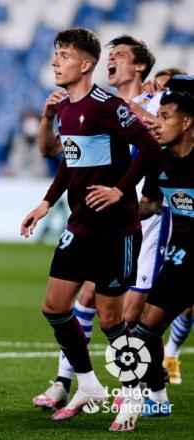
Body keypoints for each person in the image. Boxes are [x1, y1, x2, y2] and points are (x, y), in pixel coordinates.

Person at [20, 28, 161, 431]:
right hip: (79, 225)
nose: (54, 61)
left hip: (117, 230)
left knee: (111, 320)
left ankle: (132, 394)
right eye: (55, 54)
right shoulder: (65, 109)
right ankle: (87, 383)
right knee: (54, 307)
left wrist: (120, 190)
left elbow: (150, 149)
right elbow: (70, 162)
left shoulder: (107, 105)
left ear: (85, 64)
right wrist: (46, 203)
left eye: (63, 55)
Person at [131, 90, 194, 423]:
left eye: (165, 117)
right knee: (145, 329)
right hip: (182, 258)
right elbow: (150, 204)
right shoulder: (160, 160)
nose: (158, 124)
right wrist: (117, 205)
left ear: (187, 122)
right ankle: (155, 396)